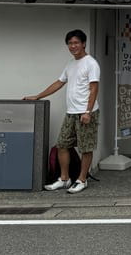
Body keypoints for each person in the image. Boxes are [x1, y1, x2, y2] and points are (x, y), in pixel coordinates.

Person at [23, 29, 100, 194]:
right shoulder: (71, 64)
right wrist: (38, 96)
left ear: (84, 44)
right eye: (70, 43)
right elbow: (59, 83)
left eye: (76, 43)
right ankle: (65, 179)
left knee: (86, 148)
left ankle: (82, 179)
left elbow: (94, 89)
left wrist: (87, 111)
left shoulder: (91, 63)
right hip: (71, 112)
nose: (73, 46)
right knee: (62, 145)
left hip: (86, 112)